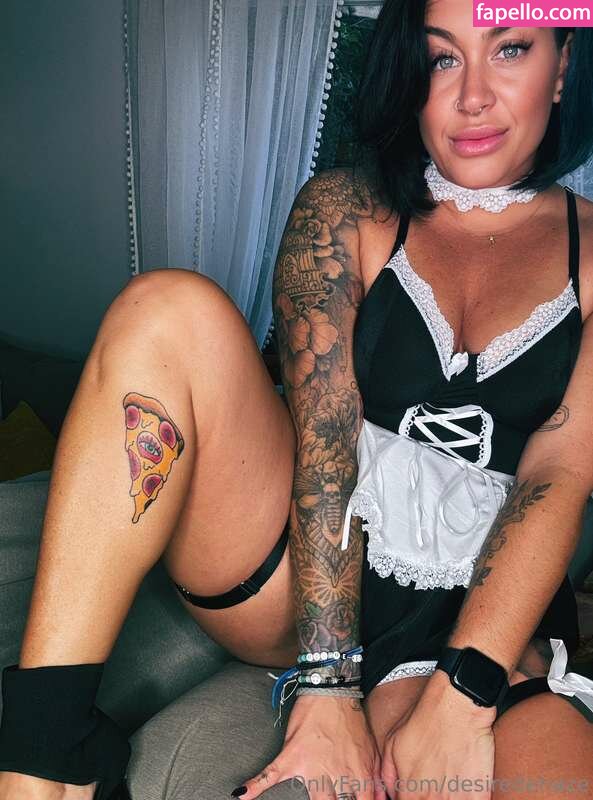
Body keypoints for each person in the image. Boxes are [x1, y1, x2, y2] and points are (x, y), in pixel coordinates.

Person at [2, 0, 593, 798]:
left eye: (510, 48)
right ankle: (44, 753)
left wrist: (466, 688)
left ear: (561, 65)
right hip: (300, 575)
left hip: (475, 602)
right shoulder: (345, 208)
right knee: (165, 310)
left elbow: (559, 474)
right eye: (441, 58)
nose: (472, 96)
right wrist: (325, 682)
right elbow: (324, 437)